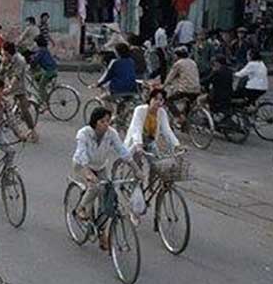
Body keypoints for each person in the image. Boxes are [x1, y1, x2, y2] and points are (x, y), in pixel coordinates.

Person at [71, 107, 133, 249]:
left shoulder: (111, 133)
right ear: (95, 122)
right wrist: (87, 173)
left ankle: (101, 231)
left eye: (108, 121)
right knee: (95, 187)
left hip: (100, 167)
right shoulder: (84, 133)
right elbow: (81, 153)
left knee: (107, 197)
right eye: (102, 121)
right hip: (82, 165)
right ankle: (81, 208)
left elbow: (122, 150)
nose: (106, 124)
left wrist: (135, 169)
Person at [0, 41, 38, 142]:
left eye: (4, 53)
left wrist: (10, 88)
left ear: (8, 53)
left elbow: (16, 76)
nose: (3, 55)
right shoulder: (5, 59)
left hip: (20, 86)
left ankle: (32, 130)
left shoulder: (20, 60)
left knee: (24, 109)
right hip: (8, 84)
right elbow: (0, 73)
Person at [124, 87, 180, 154]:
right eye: (155, 99)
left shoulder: (162, 112)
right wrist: (138, 144)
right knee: (129, 159)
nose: (158, 102)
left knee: (155, 161)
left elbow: (167, 130)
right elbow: (137, 128)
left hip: (150, 142)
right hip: (136, 141)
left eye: (161, 100)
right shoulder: (140, 110)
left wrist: (176, 144)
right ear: (150, 99)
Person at [163, 46, 201, 123]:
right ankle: (185, 121)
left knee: (168, 100)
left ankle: (178, 116)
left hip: (185, 90)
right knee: (188, 104)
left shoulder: (178, 64)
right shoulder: (193, 62)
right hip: (197, 90)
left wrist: (163, 86)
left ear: (177, 55)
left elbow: (170, 77)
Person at [30, 35, 58, 100]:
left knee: (41, 87)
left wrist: (31, 59)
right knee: (37, 76)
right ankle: (43, 96)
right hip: (53, 69)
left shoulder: (41, 51)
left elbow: (35, 60)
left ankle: (45, 102)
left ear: (38, 43)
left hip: (49, 71)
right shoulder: (44, 49)